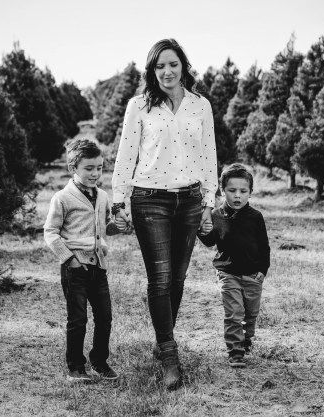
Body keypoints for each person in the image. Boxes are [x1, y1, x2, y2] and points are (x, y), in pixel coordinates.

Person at [111, 38, 218, 389]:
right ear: (152, 71)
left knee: (178, 278)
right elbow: (126, 155)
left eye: (173, 64)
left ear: (183, 66)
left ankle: (163, 338)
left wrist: (208, 203)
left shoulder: (200, 106)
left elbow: (209, 156)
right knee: (160, 278)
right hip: (149, 199)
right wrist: (119, 201)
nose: (167, 71)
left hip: (189, 200)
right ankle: (170, 357)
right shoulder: (139, 106)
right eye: (160, 66)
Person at [44, 139, 121, 383]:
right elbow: (50, 232)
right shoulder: (63, 198)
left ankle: (99, 361)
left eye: (99, 167)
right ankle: (76, 367)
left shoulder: (103, 196)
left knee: (105, 317)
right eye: (89, 168)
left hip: (98, 266)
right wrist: (70, 260)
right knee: (78, 320)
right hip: (75, 267)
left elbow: (104, 227)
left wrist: (118, 226)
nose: (95, 173)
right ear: (73, 168)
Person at [197, 163, 270, 368]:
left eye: (243, 191)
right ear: (222, 191)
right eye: (232, 190)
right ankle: (235, 351)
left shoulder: (256, 217)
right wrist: (201, 230)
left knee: (250, 313)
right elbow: (210, 241)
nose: (237, 195)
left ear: (250, 192)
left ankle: (246, 339)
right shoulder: (216, 215)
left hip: (252, 275)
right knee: (234, 313)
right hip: (227, 273)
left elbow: (264, 246)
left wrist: (263, 270)